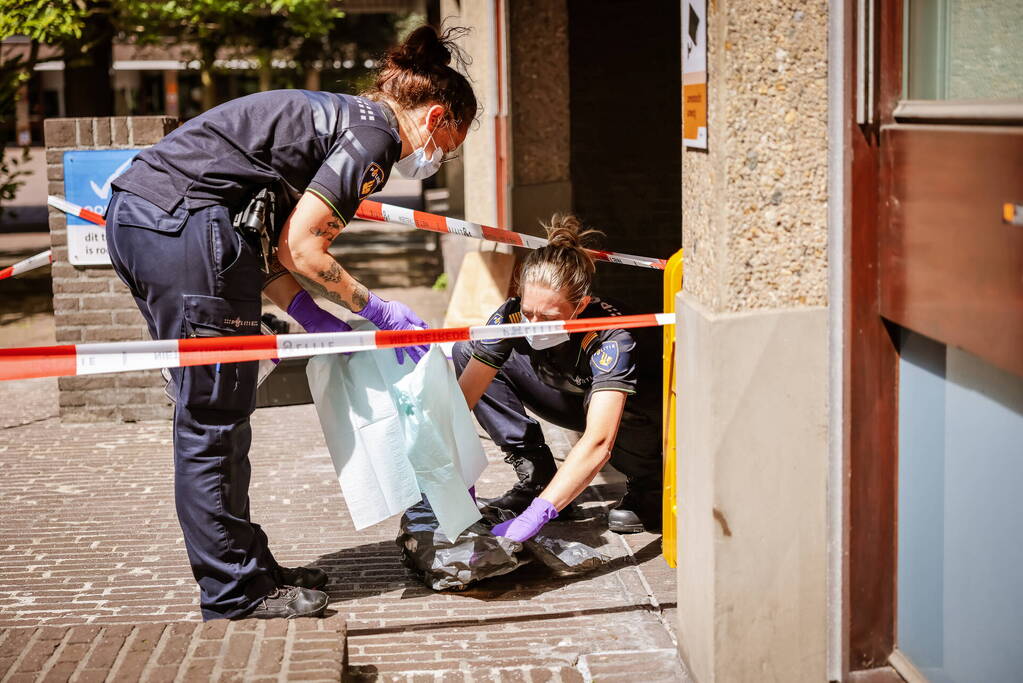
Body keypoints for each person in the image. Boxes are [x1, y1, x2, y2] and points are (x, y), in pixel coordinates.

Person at [103, 26, 477, 620]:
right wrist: (375, 308)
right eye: (452, 143)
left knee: (221, 410)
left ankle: (249, 566)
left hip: (157, 220)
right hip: (182, 226)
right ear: (437, 117)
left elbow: (272, 246)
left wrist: (311, 315)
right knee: (213, 419)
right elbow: (305, 250)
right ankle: (235, 593)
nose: (441, 157)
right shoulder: (375, 136)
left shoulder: (344, 119)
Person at [453, 214, 663, 542]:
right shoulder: (511, 312)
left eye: (548, 317)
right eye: (528, 311)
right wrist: (445, 472)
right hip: (573, 394)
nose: (534, 323)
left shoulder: (614, 336)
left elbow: (597, 442)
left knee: (626, 415)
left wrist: (539, 515)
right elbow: (462, 399)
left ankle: (649, 486)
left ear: (579, 306)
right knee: (467, 350)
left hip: (636, 411)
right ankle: (538, 478)